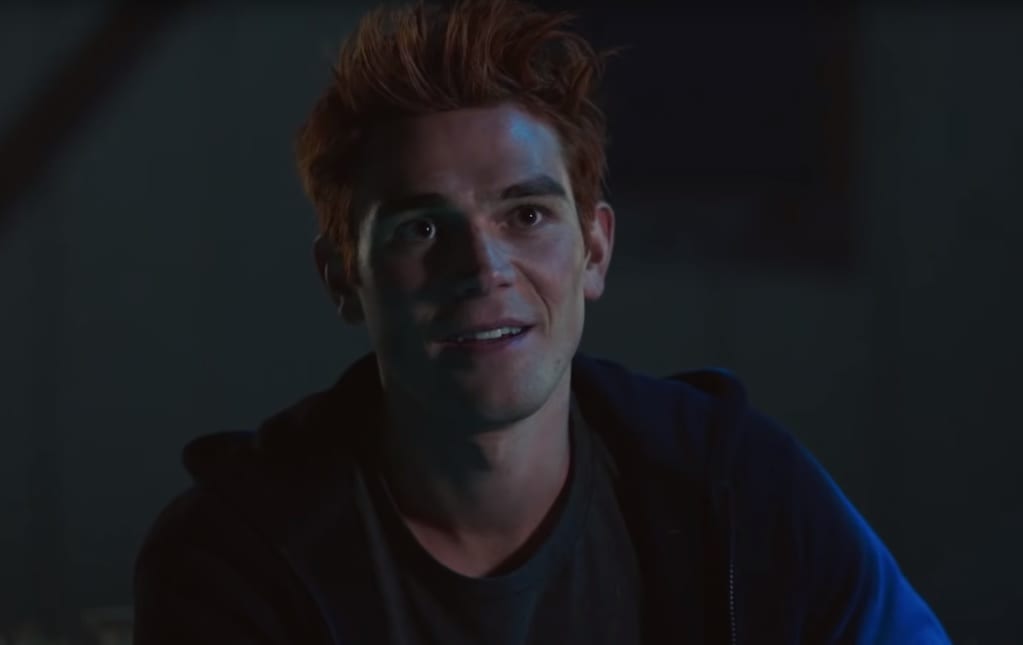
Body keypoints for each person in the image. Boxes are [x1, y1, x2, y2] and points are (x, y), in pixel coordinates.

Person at [133, 1, 950, 643]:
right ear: (343, 277)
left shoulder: (735, 485)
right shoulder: (231, 557)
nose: (482, 266)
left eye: (525, 214)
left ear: (594, 250)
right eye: (421, 227)